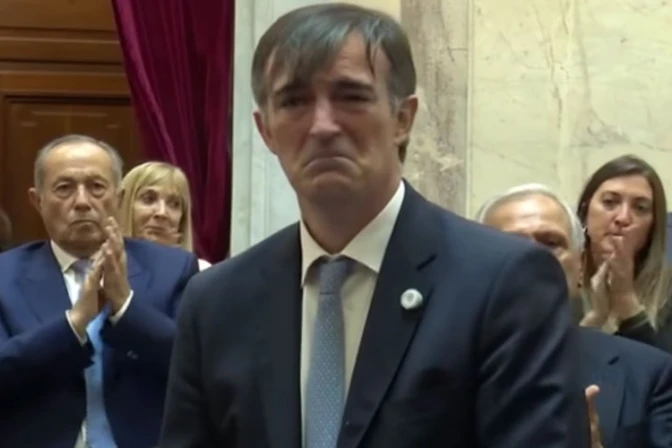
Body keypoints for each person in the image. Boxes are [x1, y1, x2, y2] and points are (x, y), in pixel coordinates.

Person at [160, 4, 589, 447]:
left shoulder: (505, 283)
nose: (322, 126)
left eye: (351, 96)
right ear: (265, 130)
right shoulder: (216, 303)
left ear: (403, 117)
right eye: (294, 101)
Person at [0, 135, 199, 447]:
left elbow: (195, 366)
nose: (82, 201)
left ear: (119, 198)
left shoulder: (172, 270)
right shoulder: (5, 276)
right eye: (64, 188)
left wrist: (125, 307)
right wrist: (73, 324)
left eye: (96, 187)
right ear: (37, 200)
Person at [477, 183, 672, 448]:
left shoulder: (652, 375)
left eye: (551, 243)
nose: (533, 257)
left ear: (580, 267)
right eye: (511, 243)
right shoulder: (433, 361)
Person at [576, 155, 672, 352]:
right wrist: (594, 320)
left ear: (653, 226)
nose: (623, 218)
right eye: (610, 202)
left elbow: (662, 369)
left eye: (640, 208)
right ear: (585, 212)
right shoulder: (557, 278)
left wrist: (626, 299)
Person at [119, 161, 211, 271]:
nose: (162, 213)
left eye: (174, 204)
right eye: (149, 199)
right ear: (124, 204)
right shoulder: (103, 268)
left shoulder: (201, 271)